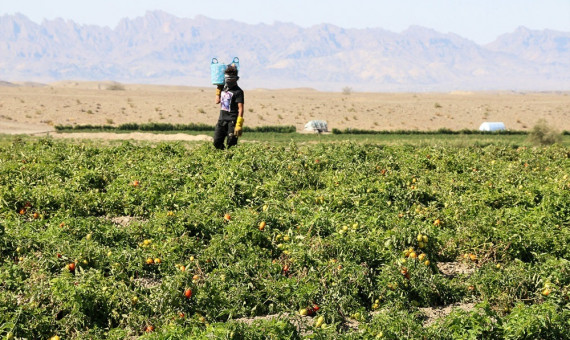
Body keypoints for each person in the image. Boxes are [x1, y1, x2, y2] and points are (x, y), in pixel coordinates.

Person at [213, 65, 244, 149]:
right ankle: (223, 156)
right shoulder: (223, 88)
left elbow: (241, 108)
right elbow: (217, 101)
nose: (228, 81)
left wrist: (239, 124)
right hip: (222, 120)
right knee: (216, 142)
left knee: (231, 144)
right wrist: (218, 89)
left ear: (235, 79)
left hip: (232, 121)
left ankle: (230, 159)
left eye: (230, 79)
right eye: (227, 79)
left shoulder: (238, 91)